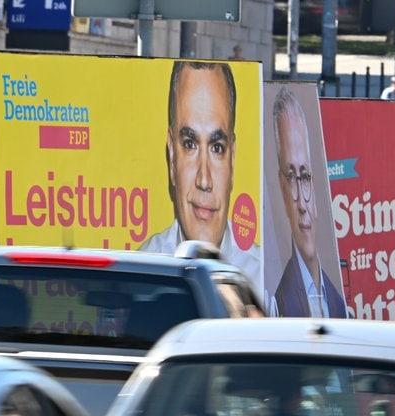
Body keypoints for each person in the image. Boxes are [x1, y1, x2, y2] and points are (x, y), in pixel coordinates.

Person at [138, 60, 261, 289]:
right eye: (190, 144)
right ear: (172, 157)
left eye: (217, 148)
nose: (204, 180)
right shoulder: (145, 271)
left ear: (232, 158)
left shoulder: (263, 280)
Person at [270, 89, 347, 318]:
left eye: (304, 176)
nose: (302, 204)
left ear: (314, 184)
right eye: (292, 178)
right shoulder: (280, 303)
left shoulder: (337, 301)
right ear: (282, 189)